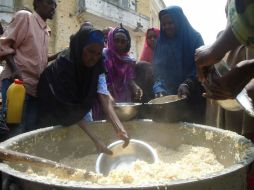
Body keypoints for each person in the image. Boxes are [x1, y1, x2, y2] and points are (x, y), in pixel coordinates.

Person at [37, 26, 129, 154]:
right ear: (80, 48)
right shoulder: (64, 66)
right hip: (52, 106)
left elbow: (103, 94)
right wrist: (96, 140)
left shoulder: (98, 62)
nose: (94, 57)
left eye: (98, 53)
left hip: (75, 106)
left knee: (79, 140)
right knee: (55, 143)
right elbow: (69, 109)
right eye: (90, 51)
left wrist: (119, 128)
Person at [0, 0, 57, 133]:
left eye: (55, 4)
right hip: (18, 85)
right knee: (15, 132)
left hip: (35, 89)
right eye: (49, 3)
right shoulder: (25, 17)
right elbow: (4, 45)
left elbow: (38, 60)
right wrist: (15, 69)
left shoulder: (46, 31)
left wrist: (58, 55)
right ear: (36, 3)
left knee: (29, 134)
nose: (53, 7)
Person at [152, 6, 205, 123]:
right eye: (164, 24)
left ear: (179, 21)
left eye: (170, 23)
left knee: (193, 132)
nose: (167, 27)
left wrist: (187, 83)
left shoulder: (195, 38)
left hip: (193, 97)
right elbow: (158, 70)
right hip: (170, 98)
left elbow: (201, 67)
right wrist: (159, 87)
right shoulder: (161, 43)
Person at [104, 26, 143, 102]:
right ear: (111, 40)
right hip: (105, 95)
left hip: (122, 98)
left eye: (123, 41)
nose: (119, 44)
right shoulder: (104, 55)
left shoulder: (127, 60)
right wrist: (108, 94)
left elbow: (129, 78)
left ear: (127, 43)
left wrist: (135, 86)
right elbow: (101, 80)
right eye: (116, 40)